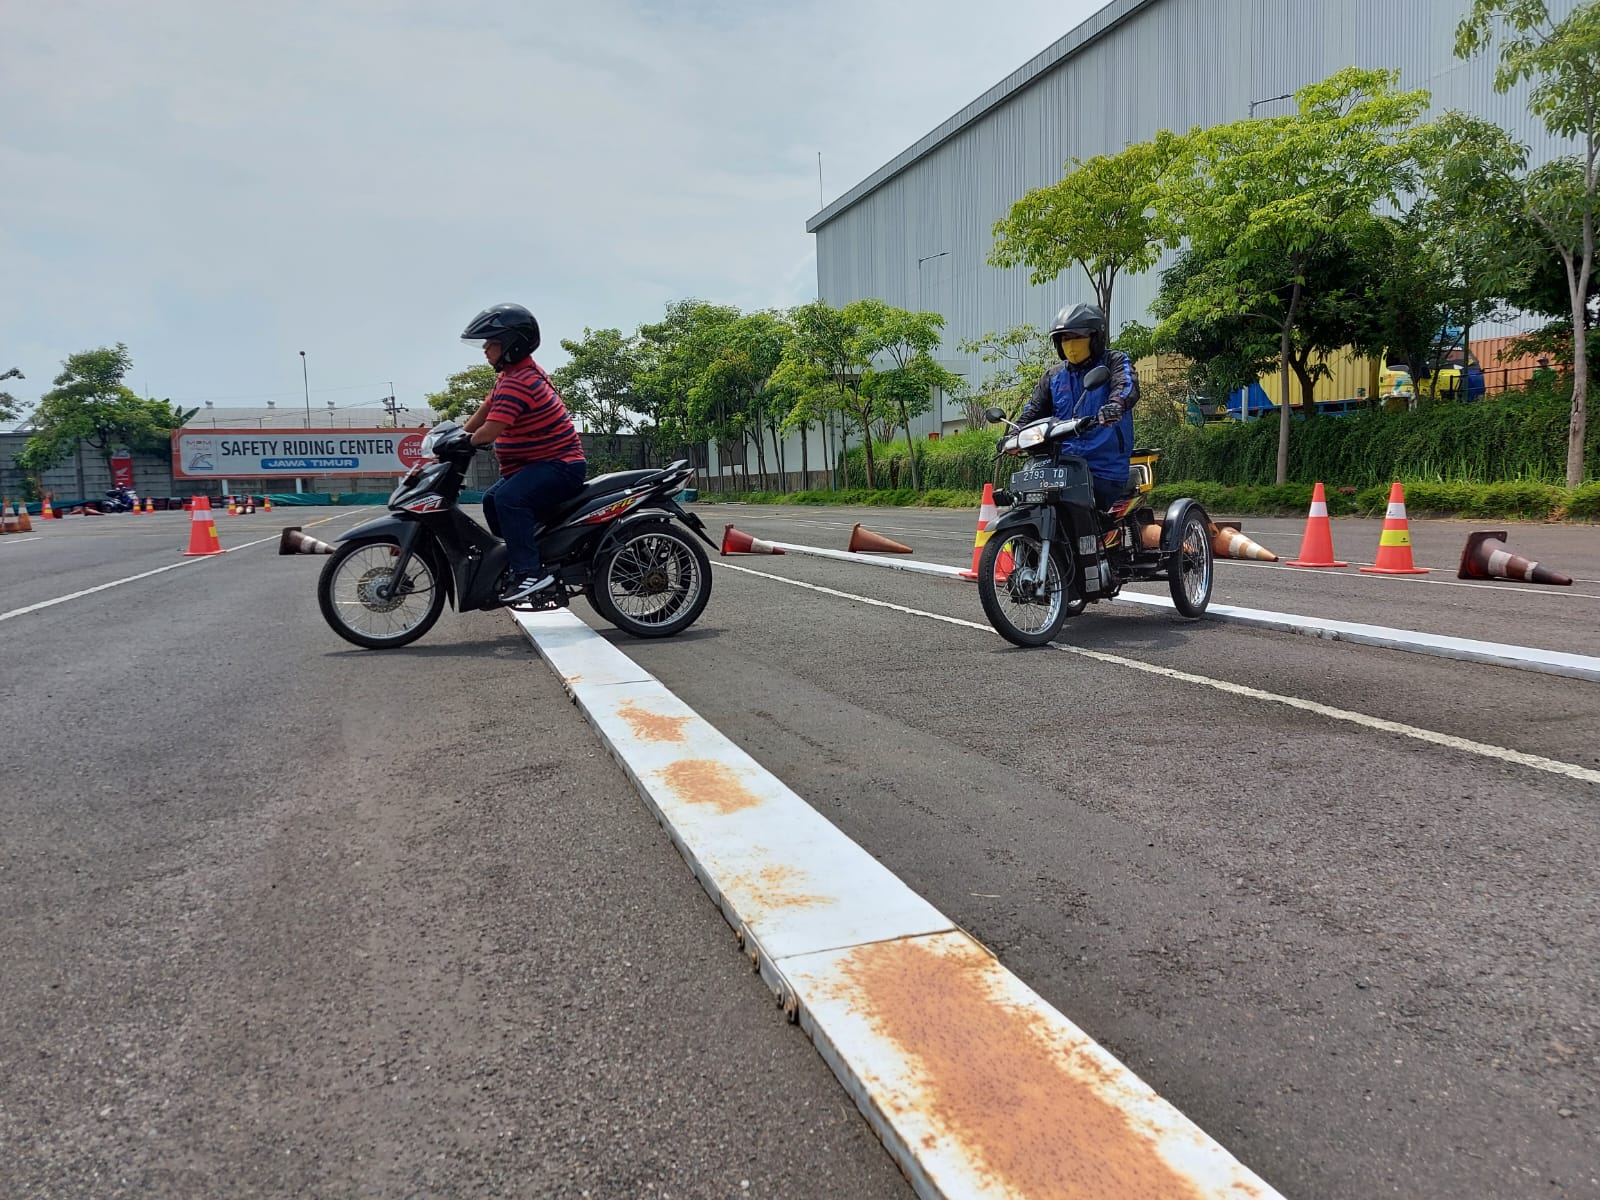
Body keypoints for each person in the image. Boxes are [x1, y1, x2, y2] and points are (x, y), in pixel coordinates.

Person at [459, 303, 587, 604]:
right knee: (492, 499)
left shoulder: (520, 381)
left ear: (511, 344)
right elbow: (486, 409)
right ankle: (528, 557)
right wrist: (457, 435)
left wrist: (465, 442)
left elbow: (490, 430)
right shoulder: (511, 375)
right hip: (538, 465)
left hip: (560, 466)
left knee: (509, 499)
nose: (485, 350)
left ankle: (531, 572)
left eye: (491, 343)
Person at [1017, 302, 1140, 511]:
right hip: (1061, 465)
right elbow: (1034, 410)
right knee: (1025, 500)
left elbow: (1126, 386)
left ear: (1095, 337)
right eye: (1065, 339)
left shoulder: (1113, 362)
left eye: (1077, 337)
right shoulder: (1054, 376)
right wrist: (1015, 433)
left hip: (1104, 467)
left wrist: (1115, 406)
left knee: (1081, 513)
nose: (1071, 345)